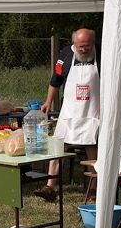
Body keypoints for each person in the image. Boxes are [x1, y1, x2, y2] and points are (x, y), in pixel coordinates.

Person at [34, 28, 100, 201]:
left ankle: (93, 190)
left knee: (92, 148)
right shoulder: (65, 56)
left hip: (92, 112)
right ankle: (50, 187)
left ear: (93, 43)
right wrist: (48, 102)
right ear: (74, 44)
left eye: (87, 46)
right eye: (80, 46)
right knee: (58, 147)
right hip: (69, 112)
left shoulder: (102, 55)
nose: (83, 49)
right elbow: (55, 81)